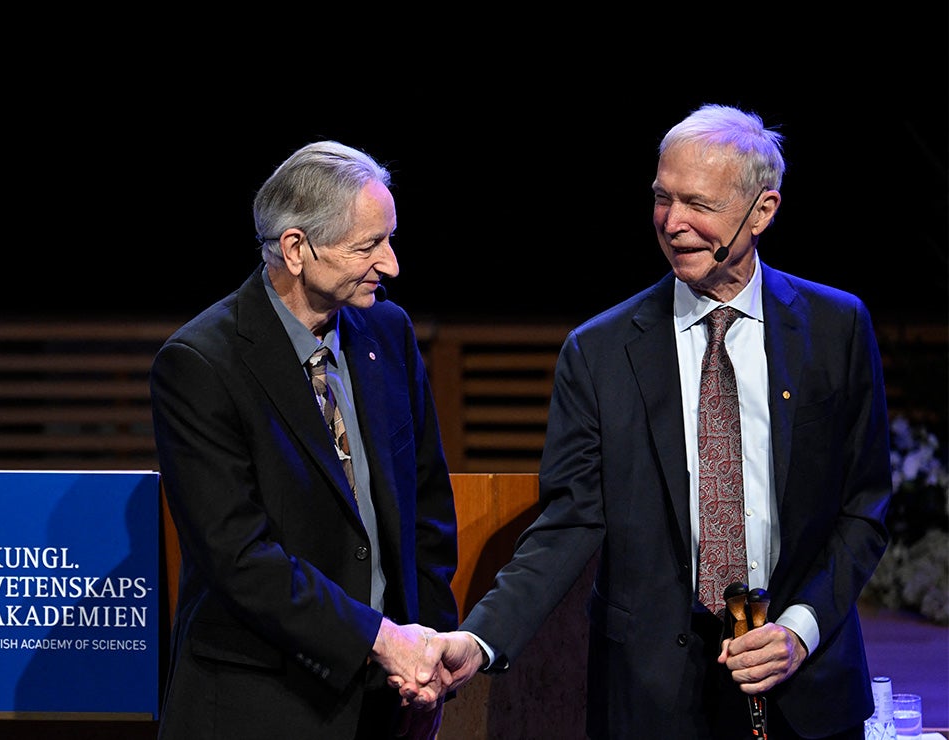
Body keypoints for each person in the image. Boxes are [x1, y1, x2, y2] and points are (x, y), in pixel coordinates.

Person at [405, 104, 893, 739]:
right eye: (662, 198)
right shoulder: (599, 351)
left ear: (763, 210)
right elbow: (568, 523)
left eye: (698, 204)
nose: (672, 222)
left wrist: (799, 631)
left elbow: (864, 509)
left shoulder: (837, 328)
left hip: (805, 686)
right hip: (651, 697)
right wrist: (480, 640)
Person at [150, 140, 459, 739]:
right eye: (368, 246)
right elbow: (240, 559)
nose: (391, 264)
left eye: (390, 239)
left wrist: (427, 666)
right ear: (295, 249)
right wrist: (379, 639)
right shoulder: (200, 364)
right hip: (260, 706)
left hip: (388, 701)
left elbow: (427, 511)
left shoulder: (387, 331)